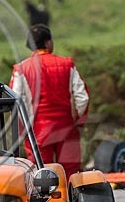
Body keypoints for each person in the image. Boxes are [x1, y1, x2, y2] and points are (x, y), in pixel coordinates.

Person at [9, 24, 89, 177]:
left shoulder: (21, 68)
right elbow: (82, 97)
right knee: (71, 174)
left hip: (37, 130)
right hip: (65, 126)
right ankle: (73, 200)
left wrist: (23, 127)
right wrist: (80, 121)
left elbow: (15, 100)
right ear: (47, 43)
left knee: (40, 175)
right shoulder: (67, 64)